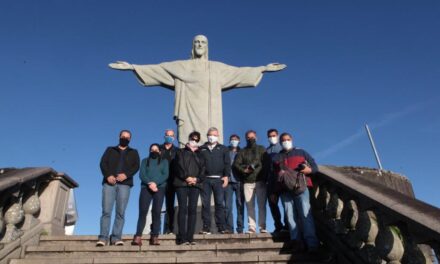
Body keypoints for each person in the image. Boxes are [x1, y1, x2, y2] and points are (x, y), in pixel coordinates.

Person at [109, 35, 286, 145]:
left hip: (210, 115)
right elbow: (159, 69)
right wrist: (133, 67)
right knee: (188, 146)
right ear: (192, 46)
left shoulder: (216, 68)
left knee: (211, 144)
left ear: (207, 47)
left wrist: (262, 68)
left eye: (203, 42)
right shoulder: (181, 66)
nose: (200, 44)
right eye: (197, 42)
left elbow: (238, 72)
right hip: (188, 112)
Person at [272, 132, 319, 252]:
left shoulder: (302, 152)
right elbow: (274, 176)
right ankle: (297, 242)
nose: (285, 141)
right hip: (284, 191)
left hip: (301, 188)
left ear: (292, 140)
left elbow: (315, 167)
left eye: (287, 139)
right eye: (283, 140)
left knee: (305, 215)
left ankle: (312, 244)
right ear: (280, 142)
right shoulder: (277, 157)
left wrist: (309, 170)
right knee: (290, 217)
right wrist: (275, 192)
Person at [98, 130, 140, 246]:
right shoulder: (110, 150)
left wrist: (126, 175)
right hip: (109, 184)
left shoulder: (134, 152)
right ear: (119, 137)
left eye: (127, 137)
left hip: (125, 185)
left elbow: (136, 166)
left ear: (130, 139)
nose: (125, 138)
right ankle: (103, 238)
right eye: (123, 136)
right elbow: (102, 163)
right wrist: (108, 176)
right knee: (106, 211)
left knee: (120, 212)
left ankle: (116, 238)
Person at [131, 144, 169, 246]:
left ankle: (154, 236)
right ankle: (138, 236)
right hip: (145, 188)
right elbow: (142, 174)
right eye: (152, 150)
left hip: (159, 188)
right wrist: (149, 183)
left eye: (156, 150)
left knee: (156, 212)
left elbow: (165, 174)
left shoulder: (164, 162)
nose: (154, 151)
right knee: (143, 212)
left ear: (160, 151)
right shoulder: (144, 161)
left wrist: (155, 183)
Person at [174, 131, 205, 245]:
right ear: (189, 138)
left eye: (197, 139)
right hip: (182, 184)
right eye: (193, 138)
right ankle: (182, 238)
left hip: (195, 185)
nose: (194, 140)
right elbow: (178, 166)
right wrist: (186, 177)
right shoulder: (180, 152)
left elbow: (203, 169)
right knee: (182, 209)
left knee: (192, 210)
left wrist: (196, 179)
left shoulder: (201, 154)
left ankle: (190, 237)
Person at [233, 130, 267, 233]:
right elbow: (236, 164)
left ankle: (262, 226)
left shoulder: (261, 149)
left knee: (261, 205)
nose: (250, 139)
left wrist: (264, 177)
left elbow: (266, 164)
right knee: (249, 206)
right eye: (248, 137)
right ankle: (251, 227)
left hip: (260, 180)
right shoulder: (242, 151)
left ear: (256, 137)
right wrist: (244, 170)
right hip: (247, 181)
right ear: (245, 138)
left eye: (252, 137)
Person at [199, 127, 230, 234]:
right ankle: (206, 227)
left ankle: (221, 227)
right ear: (207, 135)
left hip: (218, 180)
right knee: (205, 204)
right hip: (205, 180)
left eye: (214, 135)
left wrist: (226, 176)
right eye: (210, 134)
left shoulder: (223, 148)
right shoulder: (201, 148)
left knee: (219, 204)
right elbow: (198, 164)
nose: (212, 137)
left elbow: (227, 163)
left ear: (218, 136)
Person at [263, 128, 287, 233]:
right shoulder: (266, 151)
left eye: (274, 135)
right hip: (270, 180)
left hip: (282, 179)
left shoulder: (283, 148)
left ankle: (287, 226)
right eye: (270, 136)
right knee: (272, 204)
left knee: (286, 202)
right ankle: (278, 225)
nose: (272, 138)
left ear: (277, 136)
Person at [224, 134, 244, 233]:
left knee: (240, 205)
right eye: (232, 139)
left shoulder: (242, 152)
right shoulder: (225, 151)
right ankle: (229, 228)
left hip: (239, 182)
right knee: (227, 206)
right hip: (228, 182)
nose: (234, 141)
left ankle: (240, 228)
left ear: (239, 141)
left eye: (236, 139)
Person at [160, 129, 178, 235]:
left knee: (170, 206)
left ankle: (169, 228)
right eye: (167, 135)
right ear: (164, 136)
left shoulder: (177, 150)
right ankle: (154, 229)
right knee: (157, 206)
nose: (169, 137)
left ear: (174, 138)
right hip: (160, 181)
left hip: (172, 181)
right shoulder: (159, 149)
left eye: (171, 135)